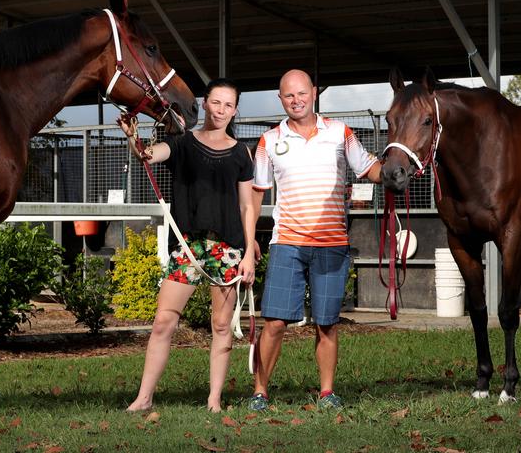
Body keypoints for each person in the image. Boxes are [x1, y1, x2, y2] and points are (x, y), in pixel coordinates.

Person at [118, 78, 256, 413]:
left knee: (222, 326)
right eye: (216, 102)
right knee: (164, 321)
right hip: (187, 247)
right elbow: (148, 155)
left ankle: (214, 400)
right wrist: (133, 137)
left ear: (235, 110)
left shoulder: (241, 152)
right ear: (205, 103)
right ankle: (144, 398)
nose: (221, 110)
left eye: (228, 105)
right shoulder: (182, 143)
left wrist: (250, 252)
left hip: (227, 249)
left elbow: (247, 206)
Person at [249, 69, 382, 411]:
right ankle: (260, 392)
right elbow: (256, 196)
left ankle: (326, 393)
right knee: (275, 322)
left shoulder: (340, 133)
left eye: (301, 93)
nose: (296, 100)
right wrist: (250, 240)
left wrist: (399, 169)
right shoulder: (268, 141)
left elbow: (369, 169)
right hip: (287, 243)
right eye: (289, 96)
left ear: (314, 93)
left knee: (327, 323)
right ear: (281, 99)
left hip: (331, 244)